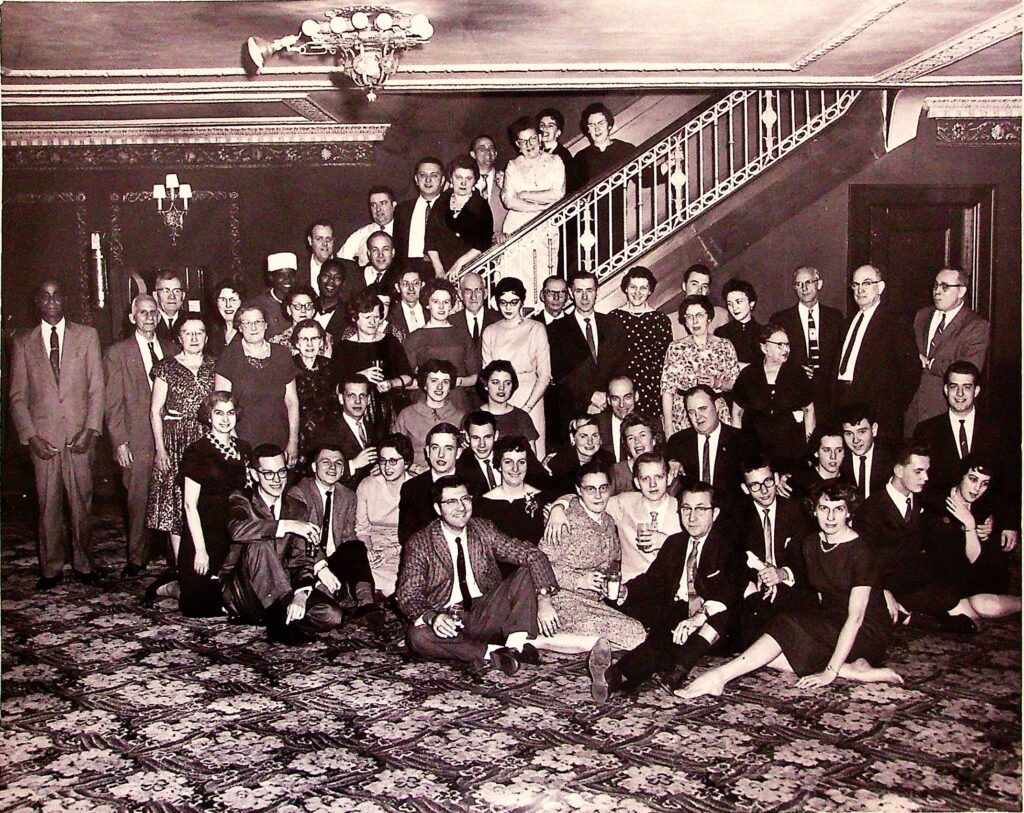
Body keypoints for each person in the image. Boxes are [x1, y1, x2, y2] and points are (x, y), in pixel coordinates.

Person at [678, 481, 902, 699]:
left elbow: (856, 617)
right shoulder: (812, 543)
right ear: (814, 511)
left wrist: (829, 673)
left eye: (838, 509)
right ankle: (851, 669)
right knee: (764, 636)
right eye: (824, 508)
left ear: (849, 512)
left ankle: (719, 677)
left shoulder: (860, 551)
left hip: (865, 630)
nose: (831, 517)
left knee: (782, 630)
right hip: (831, 619)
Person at [588, 482, 740, 701]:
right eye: (686, 508)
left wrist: (696, 619)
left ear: (714, 513)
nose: (692, 516)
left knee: (706, 618)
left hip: (715, 625)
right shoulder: (675, 543)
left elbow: (729, 593)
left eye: (700, 509)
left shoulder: (728, 546)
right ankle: (613, 678)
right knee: (659, 639)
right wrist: (625, 591)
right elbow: (652, 581)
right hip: (677, 609)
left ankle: (675, 668)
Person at [396, 474, 560, 676]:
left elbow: (531, 554)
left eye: (465, 499)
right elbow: (408, 595)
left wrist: (544, 597)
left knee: (525, 571)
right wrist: (434, 617)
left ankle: (514, 646)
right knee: (417, 637)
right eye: (451, 501)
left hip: (486, 611)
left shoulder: (483, 529)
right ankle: (495, 652)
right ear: (438, 509)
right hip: (447, 619)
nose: (461, 507)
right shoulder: (420, 542)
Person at [10, 279, 104, 589]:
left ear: (65, 299)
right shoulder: (23, 342)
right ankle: (50, 569)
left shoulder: (87, 336)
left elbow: (96, 388)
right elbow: (17, 397)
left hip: (80, 437)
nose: (51, 301)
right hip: (44, 440)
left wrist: (90, 430)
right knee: (47, 504)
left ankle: (84, 564)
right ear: (37, 301)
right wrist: (31, 437)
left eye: (57, 295)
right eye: (45, 295)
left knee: (82, 503)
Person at [223, 444, 345, 645]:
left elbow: (301, 559)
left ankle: (276, 615)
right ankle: (280, 624)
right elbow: (237, 530)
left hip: (283, 589)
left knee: (333, 616)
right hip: (245, 591)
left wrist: (300, 595)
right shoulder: (241, 499)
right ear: (254, 475)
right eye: (268, 474)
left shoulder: (297, 508)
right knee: (259, 546)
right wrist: (286, 526)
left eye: (281, 472)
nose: (277, 479)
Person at [857, 444, 976, 634]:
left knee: (951, 595)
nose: (926, 478)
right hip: (882, 585)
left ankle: (908, 615)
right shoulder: (871, 509)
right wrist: (883, 591)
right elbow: (863, 561)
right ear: (899, 470)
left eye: (927, 471)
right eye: (918, 471)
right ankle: (926, 619)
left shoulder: (922, 499)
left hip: (914, 583)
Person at [534, 464, 647, 654]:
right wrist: (579, 580)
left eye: (603, 488)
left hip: (594, 602)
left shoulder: (609, 521)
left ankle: (572, 643)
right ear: (579, 491)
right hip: (561, 600)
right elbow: (538, 564)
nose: (598, 495)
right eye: (590, 489)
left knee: (638, 633)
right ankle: (537, 640)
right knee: (633, 635)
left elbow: (612, 564)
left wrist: (613, 588)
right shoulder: (564, 521)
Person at [103, 293, 175, 578]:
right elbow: (112, 402)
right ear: (132, 317)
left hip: (170, 435)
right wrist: (120, 441)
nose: (149, 317)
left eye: (153, 312)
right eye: (142, 312)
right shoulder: (117, 353)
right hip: (137, 438)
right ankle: (137, 558)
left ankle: (173, 556)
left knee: (173, 495)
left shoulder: (170, 348)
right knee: (138, 499)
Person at [912, 361, 1017, 545]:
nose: (960, 394)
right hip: (942, 528)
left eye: (966, 387)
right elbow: (922, 486)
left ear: (976, 391)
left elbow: (1008, 479)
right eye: (954, 387)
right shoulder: (926, 430)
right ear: (945, 390)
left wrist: (1004, 523)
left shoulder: (996, 430)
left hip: (987, 529)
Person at [146, 316, 216, 568]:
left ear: (207, 337)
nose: (194, 338)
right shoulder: (165, 367)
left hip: (208, 440)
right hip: (177, 442)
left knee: (205, 501)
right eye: (188, 333)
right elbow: (155, 410)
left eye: (199, 332)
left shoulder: (216, 365)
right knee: (177, 501)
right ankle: (179, 567)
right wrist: (160, 449)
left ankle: (206, 560)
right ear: (179, 338)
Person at [288, 444, 382, 620]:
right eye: (326, 462)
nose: (332, 467)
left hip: (334, 561)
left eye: (338, 463)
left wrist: (365, 553)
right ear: (314, 467)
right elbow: (298, 541)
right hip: (308, 563)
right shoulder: (299, 493)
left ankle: (367, 603)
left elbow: (348, 537)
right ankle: (324, 596)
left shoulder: (348, 496)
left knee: (356, 546)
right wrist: (320, 566)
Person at [178, 391, 250, 617]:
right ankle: (170, 587)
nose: (225, 419)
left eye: (230, 413)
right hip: (204, 535)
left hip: (234, 534)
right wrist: (200, 550)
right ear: (208, 416)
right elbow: (190, 505)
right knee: (200, 608)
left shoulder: (244, 449)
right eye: (219, 413)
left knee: (239, 602)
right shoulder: (196, 452)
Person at [921, 455, 1021, 619]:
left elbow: (977, 560)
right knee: (958, 609)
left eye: (984, 483)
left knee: (984, 605)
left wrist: (970, 525)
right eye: (973, 479)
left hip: (980, 578)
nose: (977, 489)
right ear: (961, 475)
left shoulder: (986, 508)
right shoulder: (935, 502)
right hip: (945, 578)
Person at [731, 455, 813, 650]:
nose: (764, 490)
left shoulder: (796, 511)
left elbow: (806, 558)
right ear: (745, 489)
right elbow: (735, 559)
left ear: (776, 479)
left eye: (768, 481)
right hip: (756, 589)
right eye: (755, 485)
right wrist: (762, 575)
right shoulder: (737, 517)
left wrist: (781, 573)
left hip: (791, 585)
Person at [832, 264, 918, 443]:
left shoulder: (895, 321)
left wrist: (891, 410)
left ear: (880, 287)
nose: (860, 290)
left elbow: (911, 370)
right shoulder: (848, 323)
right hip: (845, 407)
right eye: (856, 285)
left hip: (879, 415)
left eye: (867, 283)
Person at [905, 267, 990, 435]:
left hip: (945, 411)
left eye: (945, 287)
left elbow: (968, 369)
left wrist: (929, 363)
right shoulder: (921, 316)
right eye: (936, 286)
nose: (937, 291)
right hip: (912, 411)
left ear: (961, 291)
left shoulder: (976, 326)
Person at [213, 304, 299, 464]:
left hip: (279, 436)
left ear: (266, 325)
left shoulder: (282, 354)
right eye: (247, 323)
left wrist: (293, 441)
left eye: (258, 322)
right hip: (244, 438)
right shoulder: (229, 356)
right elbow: (222, 406)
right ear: (239, 327)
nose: (253, 327)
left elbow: (292, 401)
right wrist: (233, 443)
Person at [548, 271, 627, 443]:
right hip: (575, 409)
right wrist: (589, 396)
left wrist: (607, 396)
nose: (585, 297)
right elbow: (560, 372)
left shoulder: (613, 324)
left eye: (590, 291)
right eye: (579, 291)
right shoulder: (556, 330)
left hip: (610, 407)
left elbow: (621, 365)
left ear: (597, 291)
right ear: (570, 293)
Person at [499, 116, 566, 309]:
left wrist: (526, 194)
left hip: (545, 227)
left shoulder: (555, 161)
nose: (529, 145)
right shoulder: (513, 165)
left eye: (532, 138)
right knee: (516, 273)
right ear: (517, 144)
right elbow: (509, 200)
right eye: (522, 141)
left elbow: (557, 194)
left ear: (540, 137)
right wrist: (540, 208)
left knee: (543, 272)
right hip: (517, 225)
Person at [481, 277, 552, 458]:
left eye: (513, 302)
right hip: (500, 400)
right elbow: (487, 375)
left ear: (521, 301)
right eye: (503, 302)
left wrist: (527, 407)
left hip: (531, 398)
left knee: (532, 454)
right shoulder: (490, 331)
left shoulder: (536, 328)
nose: (508, 307)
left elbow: (544, 375)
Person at [731, 323, 815, 474]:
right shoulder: (748, 375)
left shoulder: (797, 374)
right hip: (756, 450)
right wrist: (739, 445)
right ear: (764, 348)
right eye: (780, 345)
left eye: (788, 345)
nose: (786, 350)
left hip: (790, 450)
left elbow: (809, 410)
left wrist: (809, 445)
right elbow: (737, 412)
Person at [769, 266, 844, 425]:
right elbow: (773, 359)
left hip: (829, 398)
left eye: (808, 282)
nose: (804, 288)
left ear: (819, 284)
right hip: (795, 396)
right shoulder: (780, 319)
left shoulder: (835, 317)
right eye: (799, 284)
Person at [330, 291, 413, 434]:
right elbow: (336, 388)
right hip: (356, 413)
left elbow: (409, 378)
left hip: (389, 412)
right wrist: (361, 376)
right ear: (355, 318)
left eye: (376, 317)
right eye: (368, 317)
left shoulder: (390, 341)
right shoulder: (342, 348)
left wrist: (391, 383)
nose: (373, 322)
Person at [666, 385, 752, 513]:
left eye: (702, 409)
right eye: (691, 412)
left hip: (731, 517)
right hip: (692, 516)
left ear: (716, 406)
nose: (697, 417)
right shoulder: (677, 442)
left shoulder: (741, 440)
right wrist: (671, 462)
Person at [661, 294, 739, 436]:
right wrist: (668, 426)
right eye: (689, 317)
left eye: (699, 315)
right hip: (684, 415)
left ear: (709, 318)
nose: (694, 321)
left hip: (716, 411)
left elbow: (736, 384)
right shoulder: (676, 348)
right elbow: (667, 390)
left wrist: (718, 383)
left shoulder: (724, 345)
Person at [573, 103, 634, 269]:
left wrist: (668, 163)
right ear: (587, 130)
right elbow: (572, 191)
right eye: (592, 125)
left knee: (615, 257)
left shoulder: (625, 149)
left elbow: (647, 177)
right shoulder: (581, 157)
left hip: (616, 214)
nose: (596, 128)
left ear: (609, 125)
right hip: (588, 217)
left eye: (600, 123)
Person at [403, 278, 479, 412]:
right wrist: (428, 384)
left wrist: (456, 382)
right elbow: (404, 381)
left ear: (451, 305)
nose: (442, 307)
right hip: (426, 402)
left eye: (446, 302)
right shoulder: (415, 338)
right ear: (427, 304)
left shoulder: (462, 335)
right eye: (436, 302)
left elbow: (476, 376)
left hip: (458, 402)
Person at [605, 452, 682, 581]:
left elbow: (699, 551)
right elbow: (589, 500)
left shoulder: (683, 509)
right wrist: (559, 507)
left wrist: (667, 543)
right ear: (637, 482)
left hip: (671, 588)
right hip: (631, 587)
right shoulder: (624, 503)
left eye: (658, 477)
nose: (652, 484)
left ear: (668, 479)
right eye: (645, 479)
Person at [355, 433, 413, 597]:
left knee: (398, 585)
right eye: (383, 460)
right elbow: (362, 529)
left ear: (406, 463)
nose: (387, 467)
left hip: (404, 549)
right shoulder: (367, 485)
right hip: (374, 549)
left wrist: (392, 551)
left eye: (393, 461)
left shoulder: (416, 487)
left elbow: (419, 535)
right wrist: (369, 550)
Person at [612, 266, 673, 418]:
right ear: (626, 288)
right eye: (633, 287)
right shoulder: (613, 319)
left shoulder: (661, 320)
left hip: (651, 391)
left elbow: (666, 360)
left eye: (643, 288)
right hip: (622, 393)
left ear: (650, 290)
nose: (637, 293)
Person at [476, 434, 554, 543]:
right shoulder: (482, 504)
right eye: (508, 462)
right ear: (499, 465)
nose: (515, 468)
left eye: (521, 462)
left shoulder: (542, 498)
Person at [426, 155, 494, 279]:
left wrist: (458, 265)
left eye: (468, 178)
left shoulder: (480, 205)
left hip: (474, 268)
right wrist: (439, 269)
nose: (463, 183)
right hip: (441, 270)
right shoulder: (440, 202)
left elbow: (483, 243)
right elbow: (431, 240)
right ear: (451, 178)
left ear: (475, 180)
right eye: (458, 177)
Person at [398, 422, 462, 544]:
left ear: (458, 452)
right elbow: (406, 537)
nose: (441, 454)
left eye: (448, 448)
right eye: (435, 447)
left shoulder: (474, 485)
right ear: (427, 451)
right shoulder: (411, 488)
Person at [392, 358, 466, 464]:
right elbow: (394, 451)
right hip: (413, 475)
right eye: (434, 381)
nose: (439, 387)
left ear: (450, 387)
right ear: (425, 385)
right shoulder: (407, 414)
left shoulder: (460, 417)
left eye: (445, 382)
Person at [320, 374, 379, 487]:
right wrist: (353, 465)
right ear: (341, 399)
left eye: (362, 395)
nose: (358, 401)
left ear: (369, 400)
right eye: (352, 395)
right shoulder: (327, 431)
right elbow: (318, 473)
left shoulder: (376, 428)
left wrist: (381, 467)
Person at [393, 156, 446, 280]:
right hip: (410, 272)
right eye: (423, 175)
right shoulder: (403, 210)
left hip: (443, 271)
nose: (428, 180)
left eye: (434, 175)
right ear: (416, 179)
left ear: (442, 180)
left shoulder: (451, 207)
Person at [290, 319, 336, 458]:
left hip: (327, 437)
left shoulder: (330, 366)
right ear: (297, 343)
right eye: (304, 339)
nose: (310, 344)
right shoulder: (288, 367)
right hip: (297, 437)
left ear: (321, 342)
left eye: (314, 338)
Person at [478, 359, 541, 453]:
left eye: (507, 383)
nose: (501, 388)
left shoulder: (522, 417)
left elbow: (531, 459)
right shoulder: (474, 416)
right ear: (486, 385)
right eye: (495, 382)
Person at [546, 414, 615, 494]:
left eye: (594, 435)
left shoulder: (608, 459)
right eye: (583, 436)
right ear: (573, 438)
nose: (590, 442)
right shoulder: (559, 464)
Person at [837, 403, 893, 501]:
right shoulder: (838, 459)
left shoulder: (891, 458)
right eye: (849, 433)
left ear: (874, 429)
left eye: (861, 432)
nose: (855, 440)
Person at [337, 186, 397, 272]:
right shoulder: (362, 234)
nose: (378, 209)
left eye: (383, 203)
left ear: (393, 205)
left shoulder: (404, 231)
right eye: (373, 205)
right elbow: (341, 260)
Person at [449, 271, 500, 365]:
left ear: (485, 294)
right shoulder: (450, 322)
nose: (473, 297)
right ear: (460, 295)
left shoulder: (499, 320)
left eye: (478, 290)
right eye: (468, 291)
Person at [670, 264, 729, 340]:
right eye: (694, 284)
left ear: (708, 291)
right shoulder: (671, 321)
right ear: (684, 286)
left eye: (704, 286)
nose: (699, 290)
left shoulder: (721, 315)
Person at [271, 286, 332, 357]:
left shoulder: (325, 338)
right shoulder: (277, 341)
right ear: (289, 309)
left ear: (313, 310)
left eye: (308, 306)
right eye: (297, 306)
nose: (303, 311)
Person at [789, 424, 846, 499]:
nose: (833, 456)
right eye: (826, 450)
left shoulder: (848, 482)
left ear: (844, 453)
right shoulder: (799, 483)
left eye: (839, 450)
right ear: (816, 452)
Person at [716, 278, 762, 368]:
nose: (734, 308)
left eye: (738, 302)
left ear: (751, 303)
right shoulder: (721, 333)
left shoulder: (763, 333)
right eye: (730, 304)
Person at [537, 107, 585, 194]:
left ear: (558, 132)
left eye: (550, 126)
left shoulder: (564, 155)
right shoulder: (535, 153)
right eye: (542, 125)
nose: (545, 129)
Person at [470, 135, 508, 243]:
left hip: (500, 245)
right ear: (473, 154)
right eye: (482, 149)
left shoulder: (506, 180)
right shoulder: (464, 182)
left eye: (491, 148)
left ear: (495, 154)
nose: (488, 152)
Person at [251, 253, 297, 338]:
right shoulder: (258, 304)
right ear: (271, 277)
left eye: (291, 275)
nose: (287, 279)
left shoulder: (302, 301)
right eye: (281, 275)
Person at [596, 376, 637, 464]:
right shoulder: (597, 424)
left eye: (627, 397)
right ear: (608, 400)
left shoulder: (651, 424)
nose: (622, 404)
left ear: (636, 396)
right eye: (615, 398)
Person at [207, 279, 243, 357]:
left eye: (233, 300)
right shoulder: (214, 336)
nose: (228, 305)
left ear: (242, 303)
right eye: (223, 300)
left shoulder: (249, 332)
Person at [389, 267, 427, 341]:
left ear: (422, 285)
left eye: (415, 283)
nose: (411, 288)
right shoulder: (390, 315)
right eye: (405, 284)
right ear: (397, 287)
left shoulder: (431, 312)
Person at [153, 270, 188, 346]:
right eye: (166, 291)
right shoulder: (149, 322)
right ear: (155, 296)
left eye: (177, 291)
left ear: (183, 296)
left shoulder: (190, 320)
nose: (172, 296)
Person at [303, 220, 335, 295]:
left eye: (328, 239)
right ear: (310, 241)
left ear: (333, 241)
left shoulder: (350, 270)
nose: (324, 244)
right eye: (319, 239)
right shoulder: (299, 269)